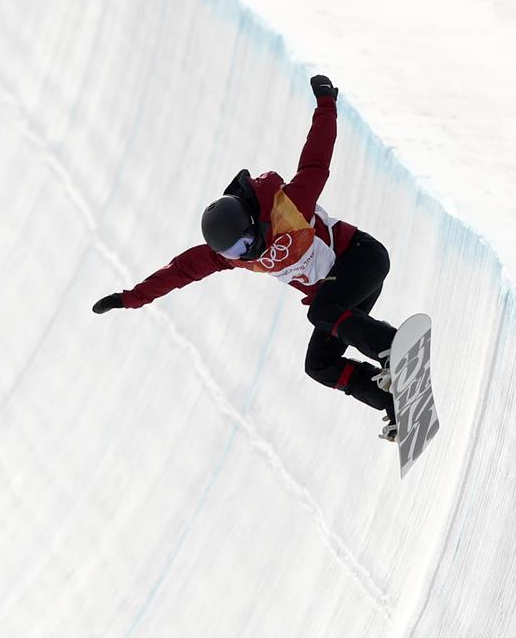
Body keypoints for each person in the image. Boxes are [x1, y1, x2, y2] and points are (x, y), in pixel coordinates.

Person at [93, 75, 398, 440]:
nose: (247, 252)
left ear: (254, 221)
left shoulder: (288, 206)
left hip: (363, 258)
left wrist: (326, 103)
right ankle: (393, 399)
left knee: (320, 311)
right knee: (319, 365)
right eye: (235, 251)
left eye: (247, 241)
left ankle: (392, 349)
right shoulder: (230, 256)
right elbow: (180, 271)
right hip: (344, 295)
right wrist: (130, 298)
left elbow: (316, 161)